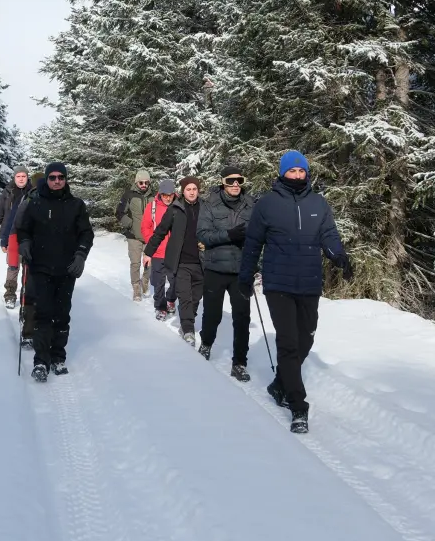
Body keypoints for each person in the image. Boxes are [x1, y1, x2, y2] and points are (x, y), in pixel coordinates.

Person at [238, 151, 352, 434]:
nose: (298, 176)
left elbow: (329, 235)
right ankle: (298, 405)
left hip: (310, 283)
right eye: (293, 171)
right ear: (283, 173)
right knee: (288, 343)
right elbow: (253, 243)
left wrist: (340, 257)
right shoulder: (267, 204)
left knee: (306, 338)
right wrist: (245, 276)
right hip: (278, 284)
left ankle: (279, 385)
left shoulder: (318, 203)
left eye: (302, 171)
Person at [15, 162, 94, 382]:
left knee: (62, 315)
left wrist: (80, 254)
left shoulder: (76, 205)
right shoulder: (36, 203)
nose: (57, 181)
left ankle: (58, 356)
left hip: (67, 270)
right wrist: (25, 243)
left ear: (66, 179)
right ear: (46, 179)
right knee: (44, 314)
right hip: (40, 268)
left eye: (61, 177)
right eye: (53, 177)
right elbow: (23, 229)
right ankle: (41, 360)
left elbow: (86, 234)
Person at [196, 164, 256, 382]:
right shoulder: (210, 204)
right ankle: (206, 344)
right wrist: (229, 235)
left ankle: (239, 362)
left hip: (241, 270)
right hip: (215, 268)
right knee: (212, 314)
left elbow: (260, 235)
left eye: (239, 180)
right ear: (223, 183)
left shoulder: (250, 204)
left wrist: (255, 260)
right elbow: (203, 235)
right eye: (230, 181)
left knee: (242, 318)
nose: (235, 184)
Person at [143, 176, 203, 346]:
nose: (192, 192)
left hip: (201, 261)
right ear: (183, 192)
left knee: (196, 297)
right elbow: (160, 231)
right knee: (184, 296)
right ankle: (187, 328)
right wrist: (148, 252)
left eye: (194, 189)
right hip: (181, 261)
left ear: (198, 191)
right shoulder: (176, 209)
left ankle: (188, 320)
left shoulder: (205, 208)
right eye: (188, 189)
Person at [4, 171, 44, 348]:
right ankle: (28, 326)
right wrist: (8, 238)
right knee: (26, 280)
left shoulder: (51, 200)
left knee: (32, 285)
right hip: (27, 245)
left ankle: (31, 325)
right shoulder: (27, 199)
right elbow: (14, 221)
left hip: (42, 249)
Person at [0, 166, 34, 308]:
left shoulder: (34, 193)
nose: (21, 179)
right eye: (18, 176)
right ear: (14, 178)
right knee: (13, 266)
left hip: (30, 236)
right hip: (11, 234)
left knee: (28, 267)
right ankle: (10, 294)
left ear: (27, 178)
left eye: (23, 176)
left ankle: (27, 296)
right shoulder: (8, 193)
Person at [140, 179, 177, 319]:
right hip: (158, 251)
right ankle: (160, 306)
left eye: (170, 195)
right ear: (160, 194)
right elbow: (145, 227)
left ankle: (171, 300)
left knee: (175, 281)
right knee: (158, 281)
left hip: (175, 252)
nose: (168, 198)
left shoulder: (179, 206)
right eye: (165, 195)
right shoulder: (152, 206)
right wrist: (153, 243)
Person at [115, 170, 153, 301]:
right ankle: (136, 287)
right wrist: (130, 224)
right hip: (133, 236)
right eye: (141, 182)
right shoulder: (129, 195)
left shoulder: (154, 196)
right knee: (135, 263)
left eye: (146, 182)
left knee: (149, 263)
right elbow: (119, 212)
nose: (143, 185)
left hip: (149, 236)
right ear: (137, 182)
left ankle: (145, 282)